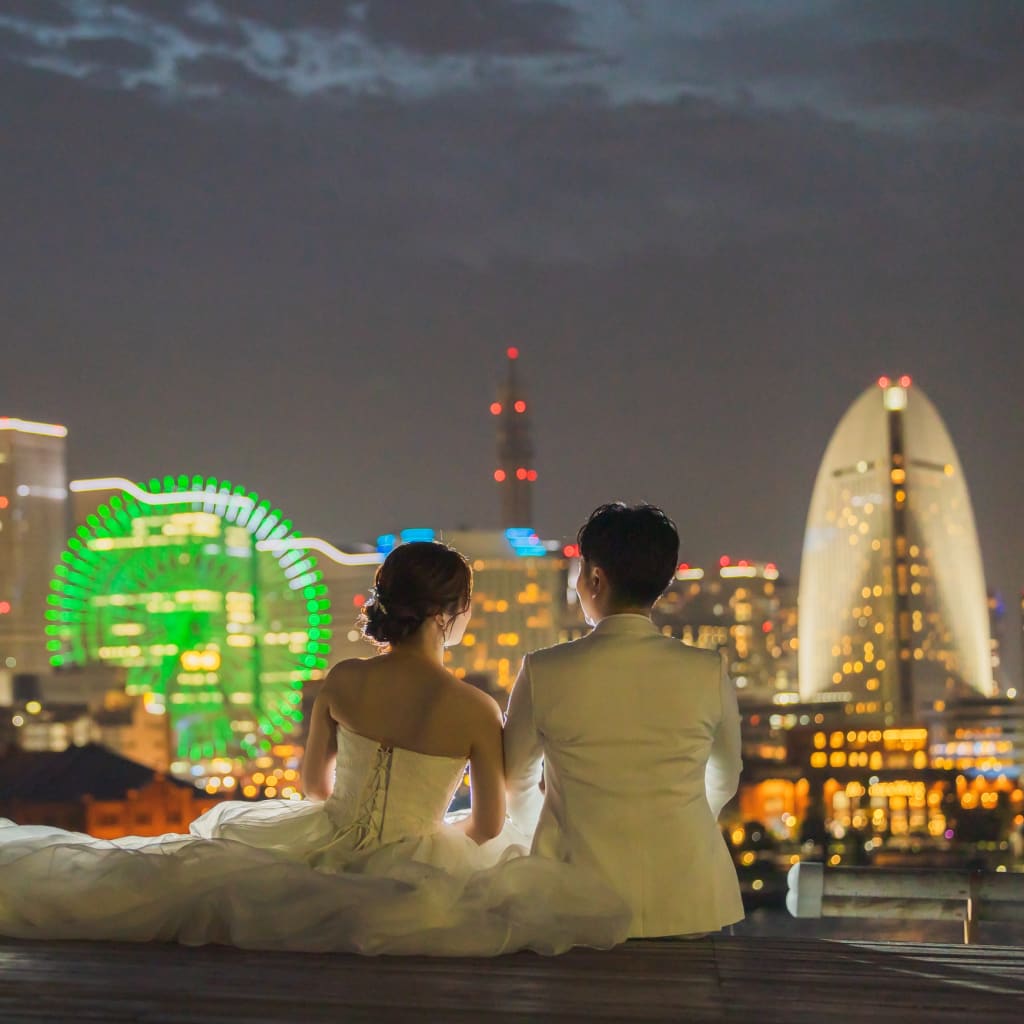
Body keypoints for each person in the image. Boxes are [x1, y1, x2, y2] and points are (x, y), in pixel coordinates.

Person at [0, 541, 629, 955]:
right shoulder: (474, 708)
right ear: (452, 611)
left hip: (323, 839)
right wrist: (428, 838)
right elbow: (489, 825)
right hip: (418, 863)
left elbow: (314, 789)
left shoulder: (342, 679)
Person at [504, 503, 744, 938]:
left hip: (574, 898)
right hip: (690, 898)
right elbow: (725, 777)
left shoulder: (544, 670)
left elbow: (515, 781)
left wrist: (555, 834)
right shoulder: (707, 670)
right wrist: (678, 821)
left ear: (595, 578)